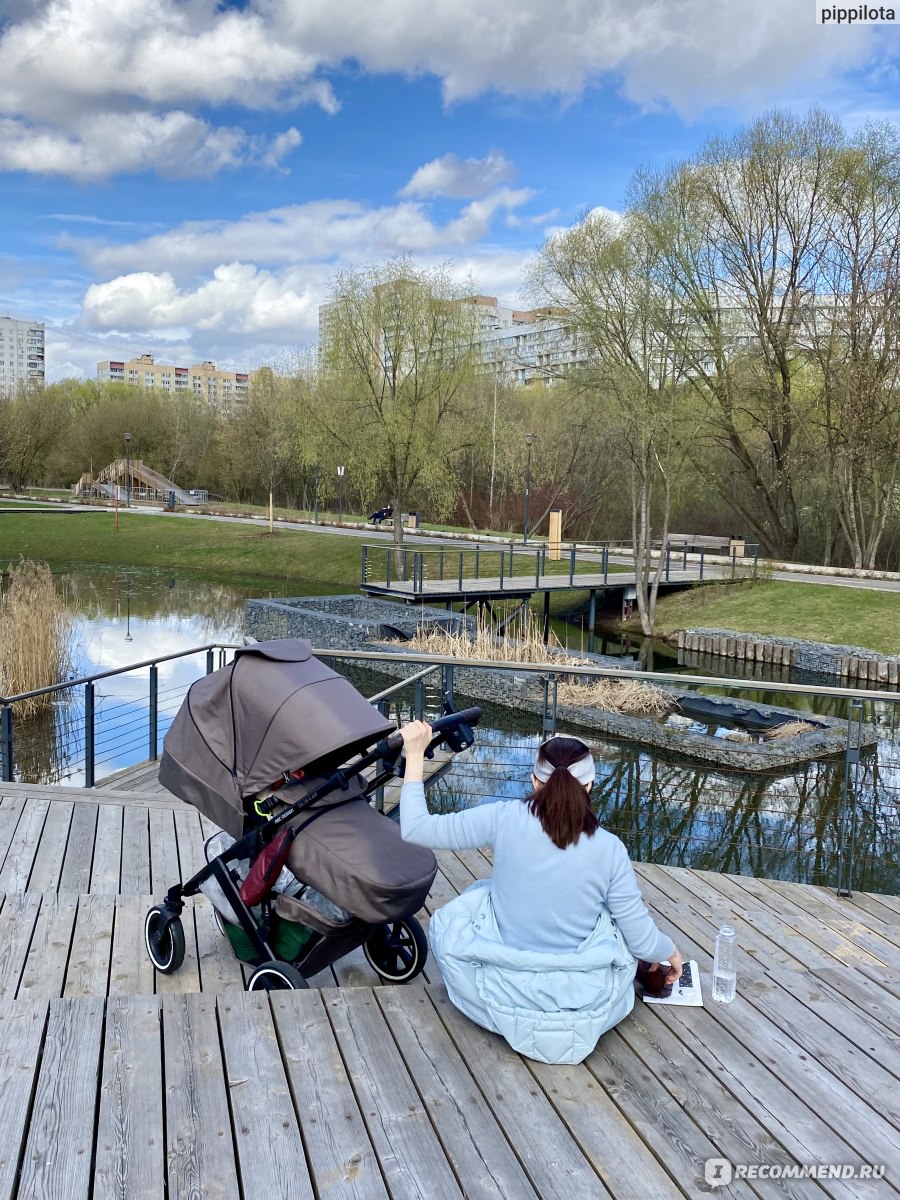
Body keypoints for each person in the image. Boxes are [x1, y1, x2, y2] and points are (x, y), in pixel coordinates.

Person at [399, 723, 681, 1065]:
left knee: (474, 899)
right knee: (615, 916)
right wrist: (668, 951)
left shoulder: (503, 818)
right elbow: (640, 938)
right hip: (584, 1003)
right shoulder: (610, 849)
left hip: (500, 992)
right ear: (590, 786)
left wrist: (414, 756)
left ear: (534, 781)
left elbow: (416, 829)